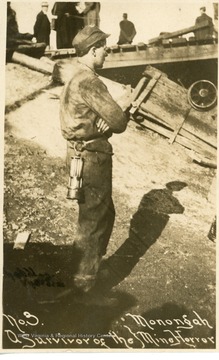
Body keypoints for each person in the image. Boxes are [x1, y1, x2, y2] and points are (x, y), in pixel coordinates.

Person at [59, 25, 129, 304]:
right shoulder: (91, 81)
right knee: (94, 220)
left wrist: (103, 123)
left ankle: (83, 275)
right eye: (103, 48)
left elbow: (102, 120)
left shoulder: (74, 76)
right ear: (92, 50)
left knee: (101, 214)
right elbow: (119, 122)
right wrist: (118, 112)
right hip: (93, 157)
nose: (107, 52)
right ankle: (84, 289)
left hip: (77, 154)